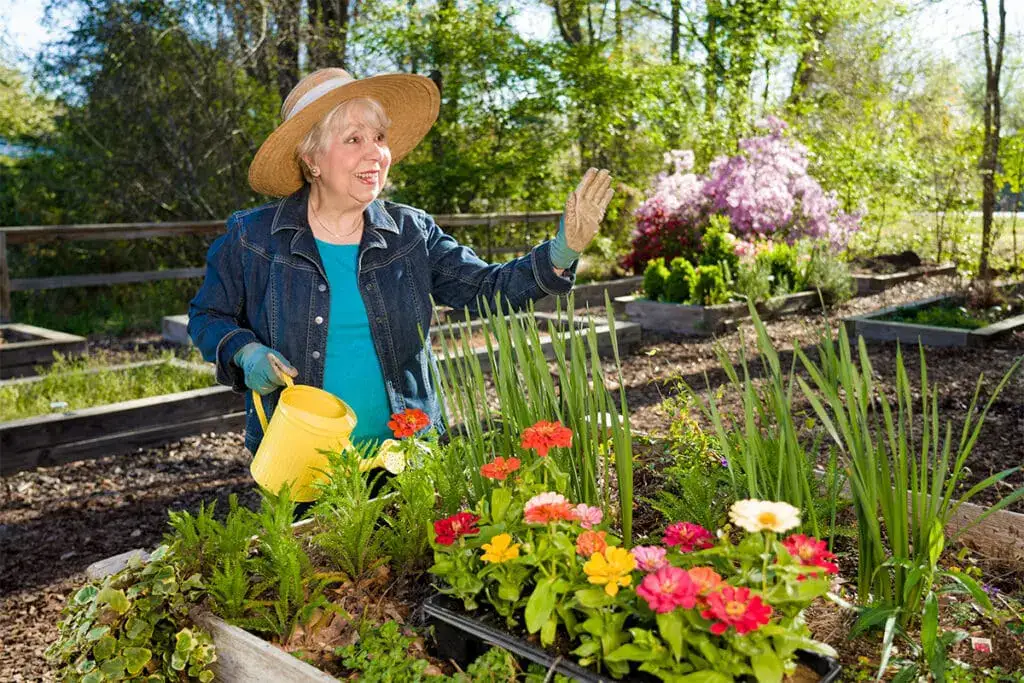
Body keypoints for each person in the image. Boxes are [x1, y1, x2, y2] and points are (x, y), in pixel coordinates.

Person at [188, 67, 614, 454]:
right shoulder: (254, 237)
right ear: (312, 159)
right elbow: (208, 315)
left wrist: (564, 250)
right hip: (301, 462)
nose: (375, 153)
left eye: (379, 138)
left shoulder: (411, 233)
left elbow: (489, 290)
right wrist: (245, 353)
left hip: (409, 457)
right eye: (354, 139)